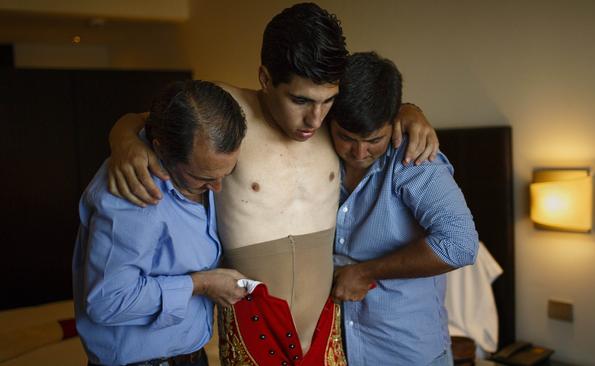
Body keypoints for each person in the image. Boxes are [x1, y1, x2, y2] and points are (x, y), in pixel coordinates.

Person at [106, 3, 438, 365]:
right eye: (300, 101)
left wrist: (410, 111)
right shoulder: (228, 111)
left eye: (327, 101)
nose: (314, 118)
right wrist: (123, 138)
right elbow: (150, 122)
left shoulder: (333, 116)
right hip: (251, 323)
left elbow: (376, 108)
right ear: (265, 79)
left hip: (326, 325)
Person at [72, 80, 248, 366]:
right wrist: (200, 284)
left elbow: (140, 118)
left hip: (191, 356)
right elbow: (107, 300)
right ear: (161, 149)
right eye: (203, 177)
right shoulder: (131, 195)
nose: (217, 187)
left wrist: (123, 130)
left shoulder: (205, 159)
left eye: (227, 172)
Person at [328, 52, 479, 365]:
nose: (358, 151)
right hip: (339, 349)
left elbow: (460, 244)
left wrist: (364, 272)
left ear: (393, 124)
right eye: (346, 137)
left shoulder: (414, 158)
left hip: (405, 352)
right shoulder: (319, 151)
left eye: (373, 140)